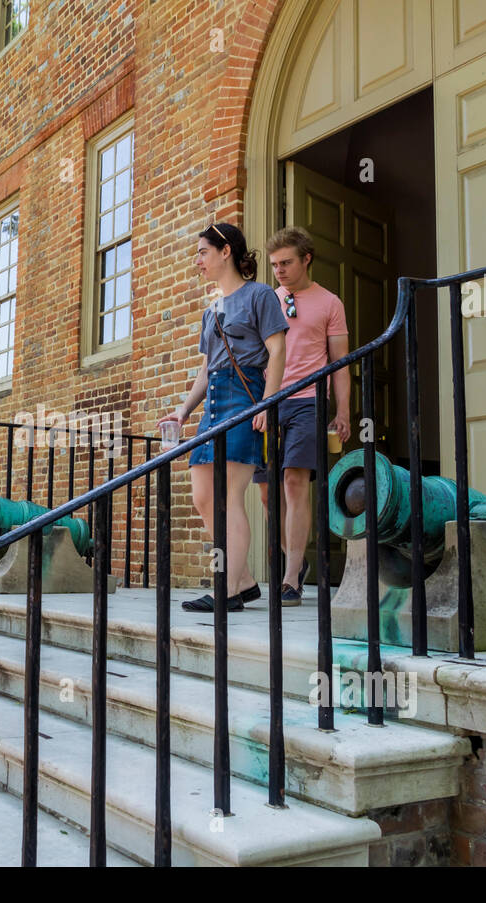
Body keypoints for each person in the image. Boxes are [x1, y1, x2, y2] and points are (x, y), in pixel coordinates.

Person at [158, 222, 288, 612]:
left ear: (226, 250)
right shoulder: (211, 309)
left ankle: (227, 590)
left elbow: (277, 351)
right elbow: (205, 368)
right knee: (203, 497)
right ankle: (244, 580)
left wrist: (268, 403)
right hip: (213, 402)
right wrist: (183, 412)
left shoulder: (260, 296)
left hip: (244, 398)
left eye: (202, 251)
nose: (198, 260)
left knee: (228, 497)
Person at [253, 226, 350, 606]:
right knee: (266, 493)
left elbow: (341, 362)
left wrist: (341, 410)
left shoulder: (330, 303)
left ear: (306, 259)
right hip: (268, 402)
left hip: (308, 400)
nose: (279, 270)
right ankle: (293, 561)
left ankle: (290, 575)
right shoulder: (266, 300)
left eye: (287, 263)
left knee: (294, 482)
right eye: (275, 264)